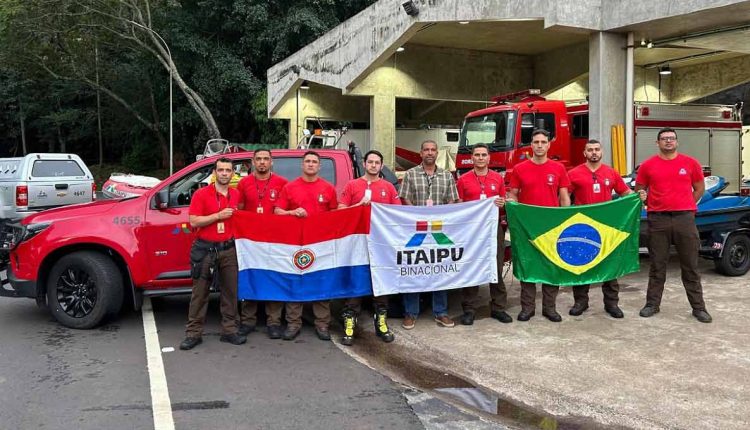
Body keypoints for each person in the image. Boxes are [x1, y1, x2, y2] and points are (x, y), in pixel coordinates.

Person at [634, 128, 712, 323]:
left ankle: (699, 308)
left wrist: (687, 203)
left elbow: (699, 188)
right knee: (657, 265)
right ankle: (652, 304)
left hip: (684, 219)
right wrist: (644, 198)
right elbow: (639, 188)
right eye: (664, 139)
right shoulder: (648, 165)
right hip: (658, 219)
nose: (668, 141)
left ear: (676, 142)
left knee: (690, 266)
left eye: (671, 138)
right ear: (657, 143)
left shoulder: (690, 163)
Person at [567, 139, 641, 319]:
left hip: (606, 228)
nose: (594, 153)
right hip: (582, 228)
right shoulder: (573, 173)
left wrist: (638, 197)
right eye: (590, 150)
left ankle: (611, 303)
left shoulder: (611, 173)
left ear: (602, 152)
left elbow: (625, 194)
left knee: (609, 265)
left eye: (597, 149)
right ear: (584, 153)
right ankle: (580, 302)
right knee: (581, 265)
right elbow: (564, 196)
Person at [180, 157, 246, 350]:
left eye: (228, 170)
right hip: (205, 249)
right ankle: (193, 333)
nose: (224, 173)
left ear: (233, 173)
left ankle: (229, 331)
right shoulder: (201, 194)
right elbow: (193, 221)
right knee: (199, 294)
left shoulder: (236, 195)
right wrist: (218, 216)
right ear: (215, 173)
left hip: (229, 249)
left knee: (230, 292)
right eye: (221, 170)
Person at [337, 150, 400, 346]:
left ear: (381, 166)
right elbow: (340, 210)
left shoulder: (388, 187)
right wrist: (357, 206)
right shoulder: (352, 185)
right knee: (356, 279)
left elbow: (398, 212)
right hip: (357, 243)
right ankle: (350, 322)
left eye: (377, 163)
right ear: (364, 164)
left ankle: (380, 321)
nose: (373, 165)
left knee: (381, 282)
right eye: (370, 162)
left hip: (381, 244)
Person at [508, 129, 571, 322]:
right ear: (531, 145)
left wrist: (564, 220)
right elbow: (513, 195)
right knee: (528, 266)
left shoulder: (559, 168)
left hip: (552, 227)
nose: (540, 145)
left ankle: (549, 308)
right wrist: (515, 216)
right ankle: (527, 308)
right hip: (527, 227)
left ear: (549, 145)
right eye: (536, 142)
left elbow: (564, 197)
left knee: (551, 267)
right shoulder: (519, 169)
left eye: (544, 142)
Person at [274, 151, 339, 340]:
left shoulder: (328, 188)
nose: (311, 164)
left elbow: (335, 215)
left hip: (320, 243)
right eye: (307, 161)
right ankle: (293, 323)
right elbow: (277, 211)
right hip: (295, 243)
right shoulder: (290, 187)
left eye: (314, 162)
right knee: (295, 281)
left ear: (319, 167)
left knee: (321, 282)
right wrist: (292, 212)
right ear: (302, 165)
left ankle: (322, 324)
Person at [398, 140, 460, 329]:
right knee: (414, 269)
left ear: (437, 153)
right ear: (420, 153)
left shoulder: (446, 176)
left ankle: (440, 312)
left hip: (440, 230)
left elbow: (453, 200)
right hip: (417, 229)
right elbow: (404, 198)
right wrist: (418, 216)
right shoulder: (410, 174)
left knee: (439, 270)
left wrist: (441, 215)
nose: (430, 153)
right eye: (426, 150)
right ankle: (411, 312)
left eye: (433, 150)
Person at [455, 143, 512, 325]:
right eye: (477, 155)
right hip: (471, 231)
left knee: (495, 266)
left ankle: (498, 308)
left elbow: (504, 202)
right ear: (472, 158)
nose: (480, 158)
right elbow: (458, 205)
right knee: (471, 266)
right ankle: (469, 309)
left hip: (493, 228)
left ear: (489, 158)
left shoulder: (498, 179)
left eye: (483, 155)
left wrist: (503, 203)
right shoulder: (463, 180)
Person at [236, 149, 288, 339]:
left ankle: (274, 322)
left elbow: (284, 210)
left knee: (273, 279)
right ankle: (247, 321)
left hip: (274, 241)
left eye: (266, 159)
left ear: (271, 162)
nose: (262, 162)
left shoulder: (282, 183)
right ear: (252, 162)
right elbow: (239, 210)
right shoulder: (243, 183)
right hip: (249, 242)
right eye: (258, 159)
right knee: (250, 278)